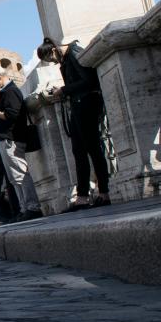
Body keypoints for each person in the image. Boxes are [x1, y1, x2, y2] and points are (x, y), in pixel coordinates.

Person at [37, 37, 113, 208]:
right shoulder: (66, 59)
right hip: (78, 106)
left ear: (54, 50)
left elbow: (89, 80)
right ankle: (83, 195)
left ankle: (104, 192)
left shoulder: (74, 53)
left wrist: (63, 90)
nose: (53, 62)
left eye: (50, 58)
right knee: (78, 151)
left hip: (87, 105)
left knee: (93, 148)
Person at [0, 66, 43, 221]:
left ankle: (32, 207)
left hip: (12, 138)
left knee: (20, 174)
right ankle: (24, 207)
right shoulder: (7, 92)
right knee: (15, 177)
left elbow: (13, 115)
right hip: (8, 138)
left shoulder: (10, 92)